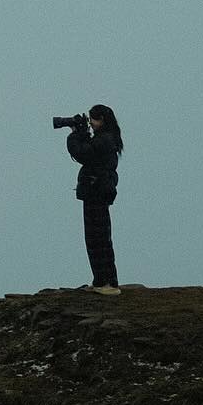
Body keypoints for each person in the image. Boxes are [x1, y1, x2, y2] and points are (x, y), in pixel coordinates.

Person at [66, 104, 122, 294]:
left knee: (97, 238)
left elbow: (83, 153)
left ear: (102, 120)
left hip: (96, 191)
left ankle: (108, 282)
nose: (91, 123)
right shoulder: (107, 138)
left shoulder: (104, 140)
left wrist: (75, 134)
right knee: (98, 237)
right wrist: (82, 134)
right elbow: (89, 152)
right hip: (97, 191)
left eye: (93, 119)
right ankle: (102, 281)